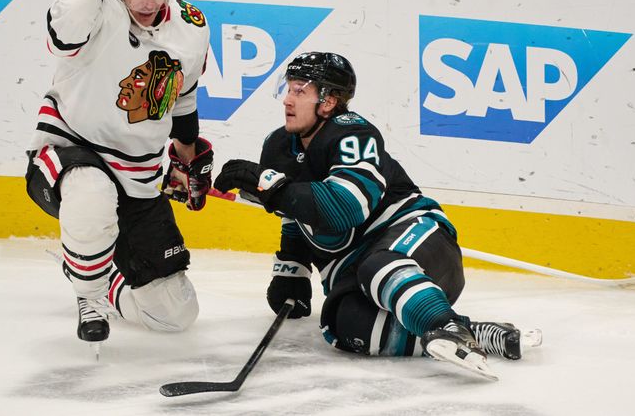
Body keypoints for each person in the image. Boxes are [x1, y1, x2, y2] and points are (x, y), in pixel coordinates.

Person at [214, 52, 540, 379]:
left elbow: (344, 209)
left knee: (377, 263)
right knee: (345, 326)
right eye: (288, 89)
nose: (287, 99)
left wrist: (270, 186)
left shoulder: (353, 134)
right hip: (358, 270)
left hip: (421, 245)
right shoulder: (279, 146)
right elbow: (295, 210)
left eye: (300, 91)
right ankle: (473, 332)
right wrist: (291, 269)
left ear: (327, 102)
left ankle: (444, 326)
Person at [25, 0, 213, 352]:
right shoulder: (97, 11)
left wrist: (186, 155)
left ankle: (100, 275)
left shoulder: (192, 26)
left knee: (176, 313)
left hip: (140, 177)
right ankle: (88, 297)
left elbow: (182, 97)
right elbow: (62, 30)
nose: (146, 2)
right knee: (91, 192)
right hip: (71, 152)